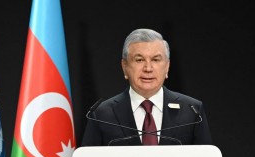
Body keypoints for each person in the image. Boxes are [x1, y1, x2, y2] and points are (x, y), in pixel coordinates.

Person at [82, 28, 212, 146]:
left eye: (155, 60)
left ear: (167, 66)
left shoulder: (192, 111)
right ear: (125, 67)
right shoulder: (101, 114)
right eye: (139, 60)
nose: (148, 68)